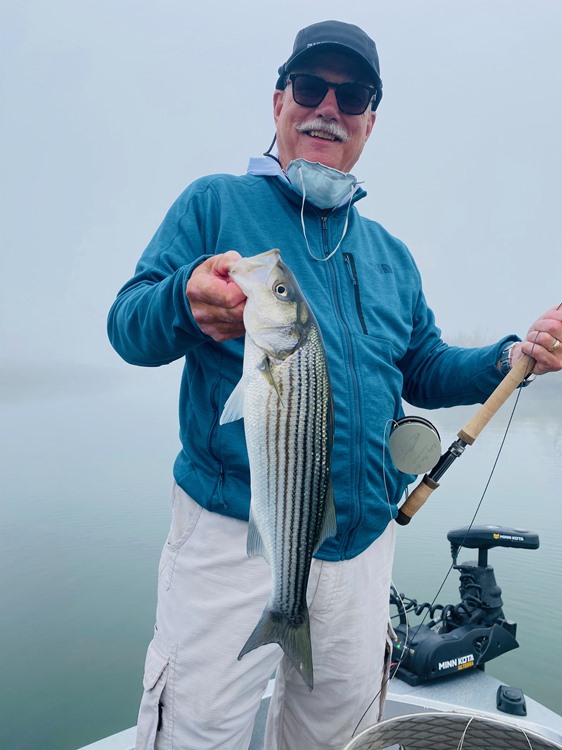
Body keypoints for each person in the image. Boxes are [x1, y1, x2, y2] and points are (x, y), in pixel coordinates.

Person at [107, 19, 562, 750]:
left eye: (352, 96)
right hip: (233, 535)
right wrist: (181, 301)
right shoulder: (214, 203)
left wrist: (514, 354)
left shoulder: (389, 254)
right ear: (279, 100)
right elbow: (127, 326)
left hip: (362, 545)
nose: (329, 106)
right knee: (199, 731)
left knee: (339, 737)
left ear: (371, 121)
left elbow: (425, 366)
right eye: (310, 87)